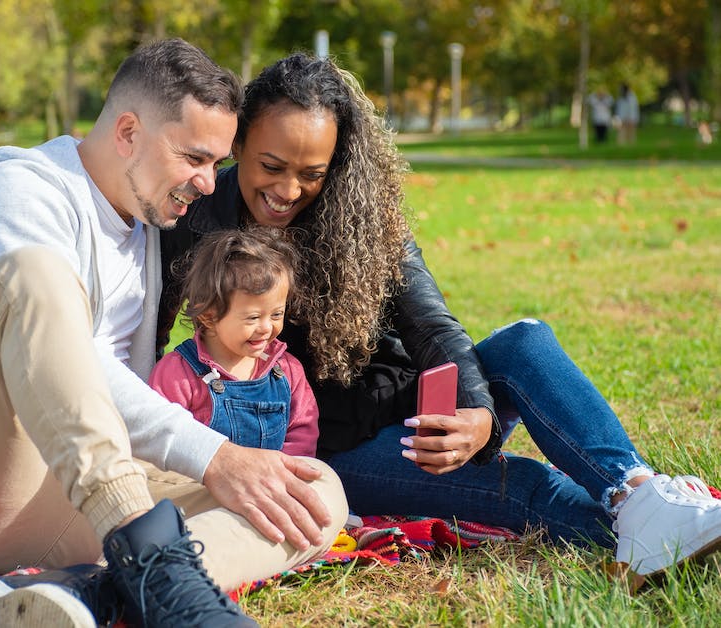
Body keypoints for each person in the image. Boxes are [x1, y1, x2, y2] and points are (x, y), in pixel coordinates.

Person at [159, 52, 721, 582]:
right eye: (271, 166)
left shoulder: (362, 212)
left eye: (311, 172)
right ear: (238, 142)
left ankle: (640, 493)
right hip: (337, 448)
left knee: (525, 341)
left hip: (417, 402)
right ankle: (664, 539)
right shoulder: (197, 215)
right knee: (519, 486)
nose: (287, 190)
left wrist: (476, 412)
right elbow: (152, 330)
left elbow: (432, 326)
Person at [0, 40, 348, 628]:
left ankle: (87, 592)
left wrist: (236, 464)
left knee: (311, 490)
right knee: (33, 274)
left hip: (74, 505)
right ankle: (160, 572)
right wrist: (214, 457)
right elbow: (72, 357)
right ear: (127, 133)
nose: (206, 183)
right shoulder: (16, 190)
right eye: (194, 157)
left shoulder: (142, 219)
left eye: (216, 164)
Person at [150, 226, 318, 457]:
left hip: (274, 484)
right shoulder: (177, 375)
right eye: (253, 317)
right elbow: (160, 440)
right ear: (209, 316)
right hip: (200, 488)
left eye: (277, 314)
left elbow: (301, 434)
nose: (267, 328)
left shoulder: (287, 371)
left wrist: (287, 474)